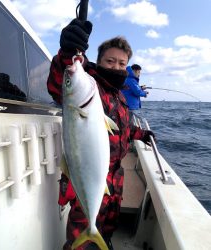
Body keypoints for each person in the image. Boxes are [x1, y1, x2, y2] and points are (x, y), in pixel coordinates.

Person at [46, 18, 155, 250]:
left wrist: (140, 133)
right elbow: (60, 85)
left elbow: (120, 129)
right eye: (110, 61)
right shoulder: (92, 84)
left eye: (121, 63)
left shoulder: (119, 96)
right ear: (99, 61)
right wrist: (68, 53)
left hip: (114, 180)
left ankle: (100, 239)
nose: (116, 67)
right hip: (88, 175)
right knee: (79, 240)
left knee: (106, 230)